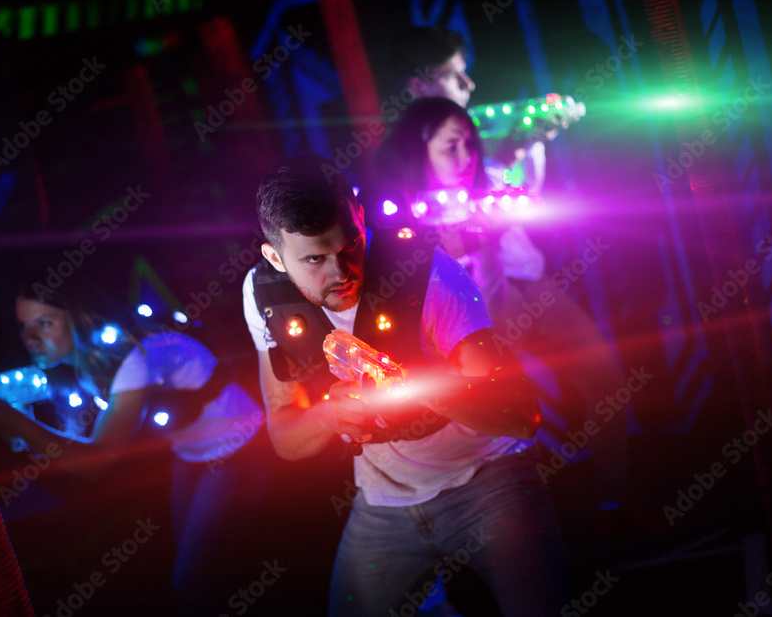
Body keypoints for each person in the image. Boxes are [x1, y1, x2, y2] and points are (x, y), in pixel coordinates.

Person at [241, 155, 568, 616]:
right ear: (275, 257)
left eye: (350, 245)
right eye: (315, 259)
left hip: (489, 483)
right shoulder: (263, 295)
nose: (340, 273)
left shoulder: (429, 273)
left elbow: (520, 415)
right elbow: (286, 438)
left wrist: (410, 385)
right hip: (383, 501)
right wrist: (331, 414)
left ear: (359, 217)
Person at [367, 96, 656, 537]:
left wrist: (528, 150)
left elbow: (528, 191)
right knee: (504, 422)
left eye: (469, 143)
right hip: (477, 312)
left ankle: (614, 499)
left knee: (605, 379)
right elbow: (473, 304)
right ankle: (532, 527)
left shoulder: (490, 182)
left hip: (531, 286)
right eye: (451, 147)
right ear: (418, 150)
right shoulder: (403, 217)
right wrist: (472, 245)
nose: (466, 157)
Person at [0, 275, 269, 616]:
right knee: (196, 568)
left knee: (190, 581)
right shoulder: (90, 362)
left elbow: (95, 465)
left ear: (79, 317)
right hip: (190, 453)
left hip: (241, 449)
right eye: (24, 325)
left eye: (44, 323)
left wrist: (14, 421)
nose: (30, 338)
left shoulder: (133, 357)